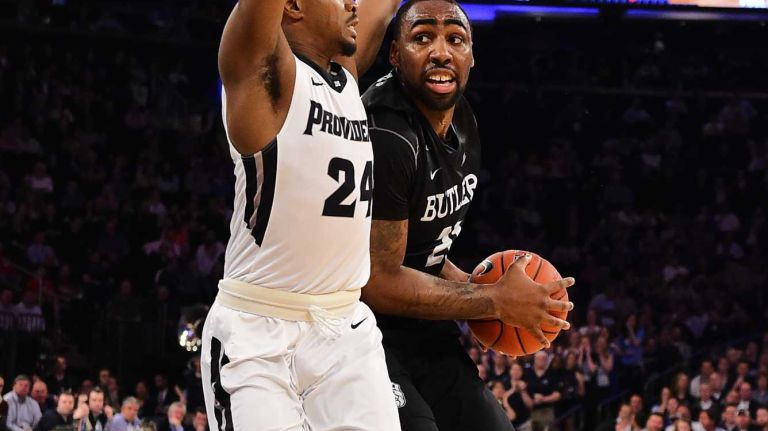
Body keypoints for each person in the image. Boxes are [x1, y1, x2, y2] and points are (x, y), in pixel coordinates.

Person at [360, 0, 574, 429]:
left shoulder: (463, 122)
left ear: (471, 56)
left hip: (418, 326)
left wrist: (498, 296)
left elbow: (423, 258)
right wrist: (492, 299)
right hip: (363, 329)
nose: (441, 51)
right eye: (423, 37)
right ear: (395, 55)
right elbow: (377, 281)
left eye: (455, 39)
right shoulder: (388, 133)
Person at [201, 0, 402, 430]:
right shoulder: (264, 75)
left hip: (345, 329)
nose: (354, 3)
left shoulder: (345, 74)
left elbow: (383, 7)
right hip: (257, 334)